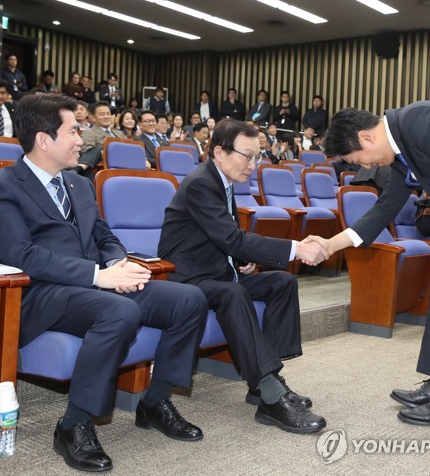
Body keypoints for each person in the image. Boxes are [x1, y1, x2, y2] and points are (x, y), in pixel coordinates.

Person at [0, 94, 209, 472]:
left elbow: (103, 233)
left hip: (95, 286)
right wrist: (99, 276)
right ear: (44, 140)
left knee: (188, 300)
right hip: (42, 294)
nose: (81, 139)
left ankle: (155, 402)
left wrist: (118, 263)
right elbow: (22, 255)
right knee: (119, 310)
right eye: (73, 130)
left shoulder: (79, 184)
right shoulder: (6, 184)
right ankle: (73, 424)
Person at [308, 101, 430, 427]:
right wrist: (331, 244)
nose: (363, 167)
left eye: (357, 161)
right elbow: (381, 212)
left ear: (366, 138)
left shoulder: (420, 120)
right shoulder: (402, 152)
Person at [158, 118, 328, 435]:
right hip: (188, 280)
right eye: (246, 156)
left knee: (282, 282)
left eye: (256, 157)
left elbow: (225, 238)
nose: (252, 165)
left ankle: (266, 383)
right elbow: (231, 238)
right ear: (219, 152)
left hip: (218, 271)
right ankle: (271, 398)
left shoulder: (223, 182)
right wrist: (295, 248)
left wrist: (240, 259)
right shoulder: (200, 184)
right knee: (234, 293)